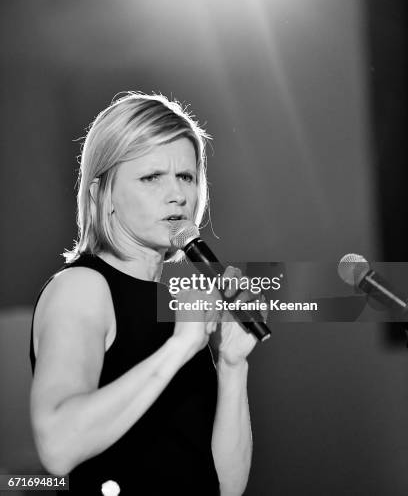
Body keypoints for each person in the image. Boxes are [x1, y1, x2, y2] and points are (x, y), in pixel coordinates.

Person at [29, 92, 264, 495]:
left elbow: (224, 487)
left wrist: (231, 364)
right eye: (151, 177)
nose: (177, 195)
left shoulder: (175, 309)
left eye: (186, 177)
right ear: (102, 196)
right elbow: (57, 447)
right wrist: (180, 348)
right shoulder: (83, 288)